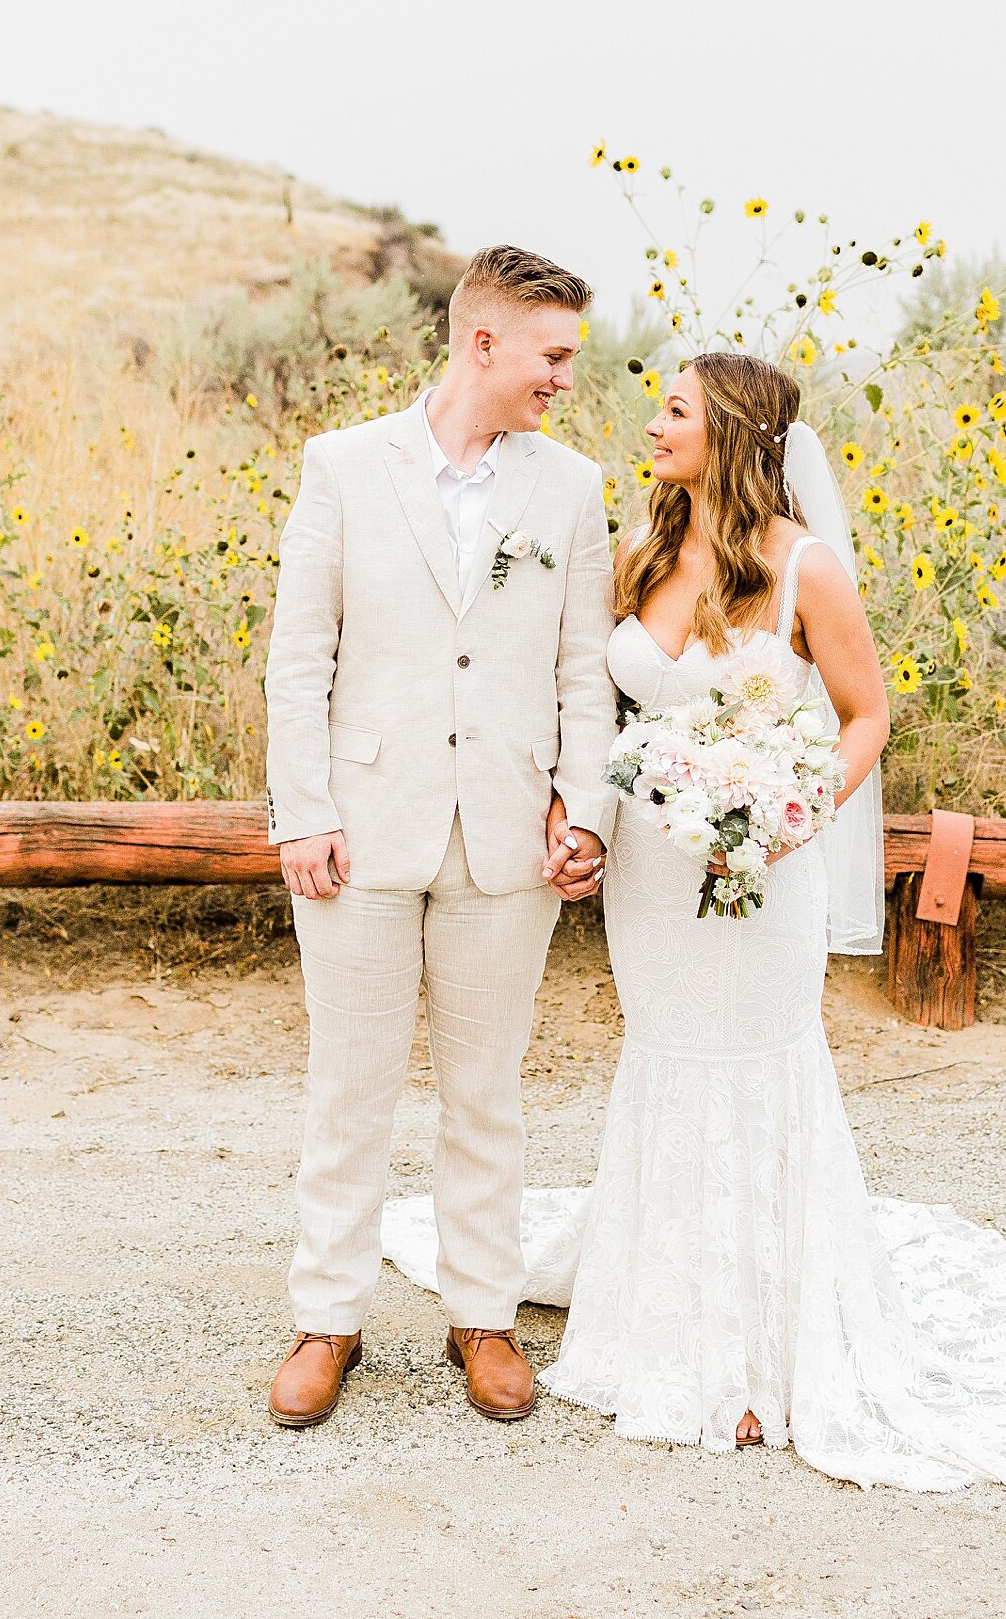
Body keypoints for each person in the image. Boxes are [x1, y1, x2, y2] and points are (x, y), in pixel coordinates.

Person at [386, 352, 1006, 1492]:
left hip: (759, 867)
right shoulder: (642, 552)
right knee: (669, 1057)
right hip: (654, 866)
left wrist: (791, 813)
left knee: (754, 1066)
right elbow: (593, 695)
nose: (653, 425)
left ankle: (755, 1353)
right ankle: (663, 1316)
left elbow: (865, 715)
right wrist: (578, 813)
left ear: (734, 432)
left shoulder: (806, 571)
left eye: (677, 412)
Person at [262, 244, 617, 1430]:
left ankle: (483, 1313)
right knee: (347, 1086)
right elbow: (300, 656)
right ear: (484, 344)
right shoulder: (345, 466)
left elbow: (582, 667)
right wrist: (303, 810)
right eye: (553, 355)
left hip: (508, 835)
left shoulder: (569, 487)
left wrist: (587, 808)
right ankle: (328, 1319)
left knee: (487, 1090)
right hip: (357, 830)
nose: (566, 376)